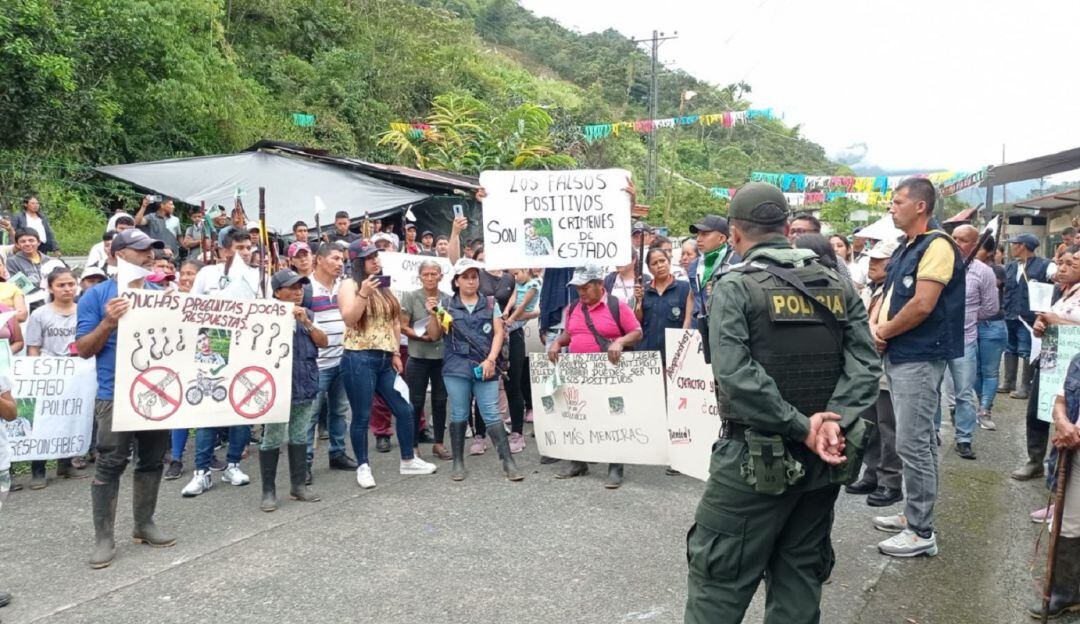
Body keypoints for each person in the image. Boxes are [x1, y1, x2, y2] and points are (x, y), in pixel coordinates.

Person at [684, 182, 880, 623]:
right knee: (799, 578)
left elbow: (735, 376)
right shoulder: (838, 283)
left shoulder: (734, 287)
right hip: (824, 461)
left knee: (718, 581)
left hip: (752, 461)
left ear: (734, 234)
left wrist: (800, 426)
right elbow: (866, 364)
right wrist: (833, 422)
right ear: (788, 228)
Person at [869, 178, 964, 558]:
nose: (892, 208)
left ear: (921, 206)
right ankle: (913, 515)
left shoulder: (938, 245)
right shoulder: (910, 247)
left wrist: (884, 331)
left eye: (898, 202)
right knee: (915, 441)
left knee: (914, 443)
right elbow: (891, 295)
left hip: (919, 355)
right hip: (902, 353)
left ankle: (921, 530)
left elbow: (923, 304)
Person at [76, 229, 176, 569]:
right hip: (114, 394)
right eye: (140, 250)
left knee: (151, 460)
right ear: (117, 255)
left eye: (151, 250)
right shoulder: (95, 296)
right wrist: (108, 321)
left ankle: (144, 524)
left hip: (157, 392)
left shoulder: (161, 295)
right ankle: (104, 537)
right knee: (109, 463)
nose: (149, 256)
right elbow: (84, 350)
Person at [338, 241, 437, 488]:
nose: (375, 261)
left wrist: (394, 352)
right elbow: (350, 319)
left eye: (376, 256)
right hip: (358, 357)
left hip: (384, 358)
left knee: (404, 409)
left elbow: (394, 321)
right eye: (368, 258)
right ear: (358, 263)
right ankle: (363, 466)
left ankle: (407, 459)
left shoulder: (384, 286)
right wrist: (363, 294)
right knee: (361, 415)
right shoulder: (349, 285)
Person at [547, 265, 643, 488]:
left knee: (614, 417)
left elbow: (637, 332)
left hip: (610, 376)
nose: (581, 292)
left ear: (600, 285)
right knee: (579, 415)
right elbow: (570, 334)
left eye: (585, 287)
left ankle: (615, 466)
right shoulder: (573, 308)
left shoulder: (615, 305)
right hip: (579, 375)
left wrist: (619, 341)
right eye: (578, 288)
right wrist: (558, 342)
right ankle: (579, 462)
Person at [429, 258, 522, 482]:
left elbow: (499, 333)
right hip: (456, 367)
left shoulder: (491, 303)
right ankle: (458, 462)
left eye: (474, 277)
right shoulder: (446, 305)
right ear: (457, 281)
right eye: (465, 277)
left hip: (485, 365)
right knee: (459, 412)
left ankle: (508, 461)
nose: (471, 281)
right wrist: (434, 313)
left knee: (490, 412)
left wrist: (491, 360)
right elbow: (434, 335)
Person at [258, 270, 327, 512]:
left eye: (301, 287)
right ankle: (268, 491)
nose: (299, 291)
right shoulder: (264, 316)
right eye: (292, 287)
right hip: (277, 388)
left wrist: (306, 323)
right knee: (273, 437)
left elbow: (323, 341)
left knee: (299, 435)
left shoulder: (307, 314)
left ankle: (298, 486)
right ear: (277, 292)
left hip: (304, 383)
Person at [845, 240, 904, 508]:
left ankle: (890, 482)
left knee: (888, 428)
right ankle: (871, 473)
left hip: (885, 368)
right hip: (867, 368)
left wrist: (873, 331)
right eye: (871, 260)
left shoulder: (897, 290)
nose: (872, 265)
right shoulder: (872, 289)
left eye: (879, 261)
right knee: (869, 427)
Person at [1017, 246, 1080, 489]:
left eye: (1071, 264)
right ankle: (1035, 461)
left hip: (1072, 371)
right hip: (1051, 363)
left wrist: (1058, 322)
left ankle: (1059, 483)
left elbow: (1063, 322)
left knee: (1066, 422)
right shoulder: (1063, 292)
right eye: (1062, 263)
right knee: (1036, 413)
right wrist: (1041, 325)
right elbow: (1046, 319)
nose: (1063, 269)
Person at [939, 224, 999, 460]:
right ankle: (932, 433)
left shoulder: (983, 272)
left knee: (964, 393)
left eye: (962, 240)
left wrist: (968, 317)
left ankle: (964, 438)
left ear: (975, 244)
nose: (956, 243)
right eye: (952, 238)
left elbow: (991, 308)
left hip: (965, 340)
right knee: (932, 391)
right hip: (936, 339)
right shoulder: (938, 265)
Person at [1029, 348, 1080, 618]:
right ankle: (1068, 593)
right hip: (1076, 452)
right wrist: (1061, 422)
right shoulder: (1078, 360)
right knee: (1067, 524)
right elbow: (1061, 400)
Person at [25, 268, 86, 488]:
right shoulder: (40, 314)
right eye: (61, 285)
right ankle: (38, 470)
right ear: (50, 288)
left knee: (70, 417)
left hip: (77, 372)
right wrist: (36, 374)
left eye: (71, 284)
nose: (67, 289)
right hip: (48, 373)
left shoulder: (83, 311)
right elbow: (33, 347)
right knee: (44, 422)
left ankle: (65, 463)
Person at [304, 243, 358, 485]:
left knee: (339, 410)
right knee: (311, 415)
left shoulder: (345, 286)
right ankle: (303, 463)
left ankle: (337, 452)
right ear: (319, 260)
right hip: (316, 363)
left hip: (342, 358)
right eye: (335, 258)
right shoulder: (305, 287)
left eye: (342, 259)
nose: (340, 263)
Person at [400, 260, 451, 460]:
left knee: (440, 401)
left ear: (440, 276)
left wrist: (436, 317)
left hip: (441, 357)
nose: (430, 278)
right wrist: (421, 336)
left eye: (433, 274)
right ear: (420, 277)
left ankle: (438, 443)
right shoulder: (411, 297)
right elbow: (403, 325)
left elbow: (448, 326)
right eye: (426, 274)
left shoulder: (447, 299)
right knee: (416, 401)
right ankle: (413, 446)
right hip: (418, 355)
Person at [1002, 232, 1054, 400]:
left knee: (1026, 350)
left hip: (1028, 318)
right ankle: (1008, 382)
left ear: (1021, 246)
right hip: (1010, 314)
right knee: (1010, 349)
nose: (1011, 246)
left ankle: (1026, 387)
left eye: (1014, 243)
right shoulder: (1010, 266)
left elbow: (1056, 279)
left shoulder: (1045, 265)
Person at [502, 268, 541, 453]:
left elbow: (524, 305)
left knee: (514, 381)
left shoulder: (534, 284)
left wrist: (511, 319)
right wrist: (505, 311)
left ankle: (517, 433)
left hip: (515, 327)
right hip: (505, 324)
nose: (515, 277)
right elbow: (513, 299)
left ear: (527, 270)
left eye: (517, 273)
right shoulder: (519, 283)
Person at [633, 248, 692, 361]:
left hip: (676, 353)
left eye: (662, 261)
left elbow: (689, 320)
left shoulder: (685, 288)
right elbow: (637, 322)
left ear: (669, 262)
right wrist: (638, 301)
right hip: (648, 354)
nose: (659, 266)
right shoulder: (643, 290)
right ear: (649, 269)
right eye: (654, 263)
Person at [973, 235, 1007, 430]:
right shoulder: (966, 268)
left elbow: (993, 288)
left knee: (990, 371)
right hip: (972, 326)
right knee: (975, 371)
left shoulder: (997, 270)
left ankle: (985, 410)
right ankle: (979, 406)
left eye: (978, 248)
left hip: (992, 326)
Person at [687, 215, 736, 332]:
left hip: (725, 330)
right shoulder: (694, 265)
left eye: (705, 234)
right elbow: (693, 296)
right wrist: (687, 324)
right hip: (697, 330)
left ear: (722, 238)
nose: (698, 239)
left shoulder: (736, 262)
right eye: (698, 234)